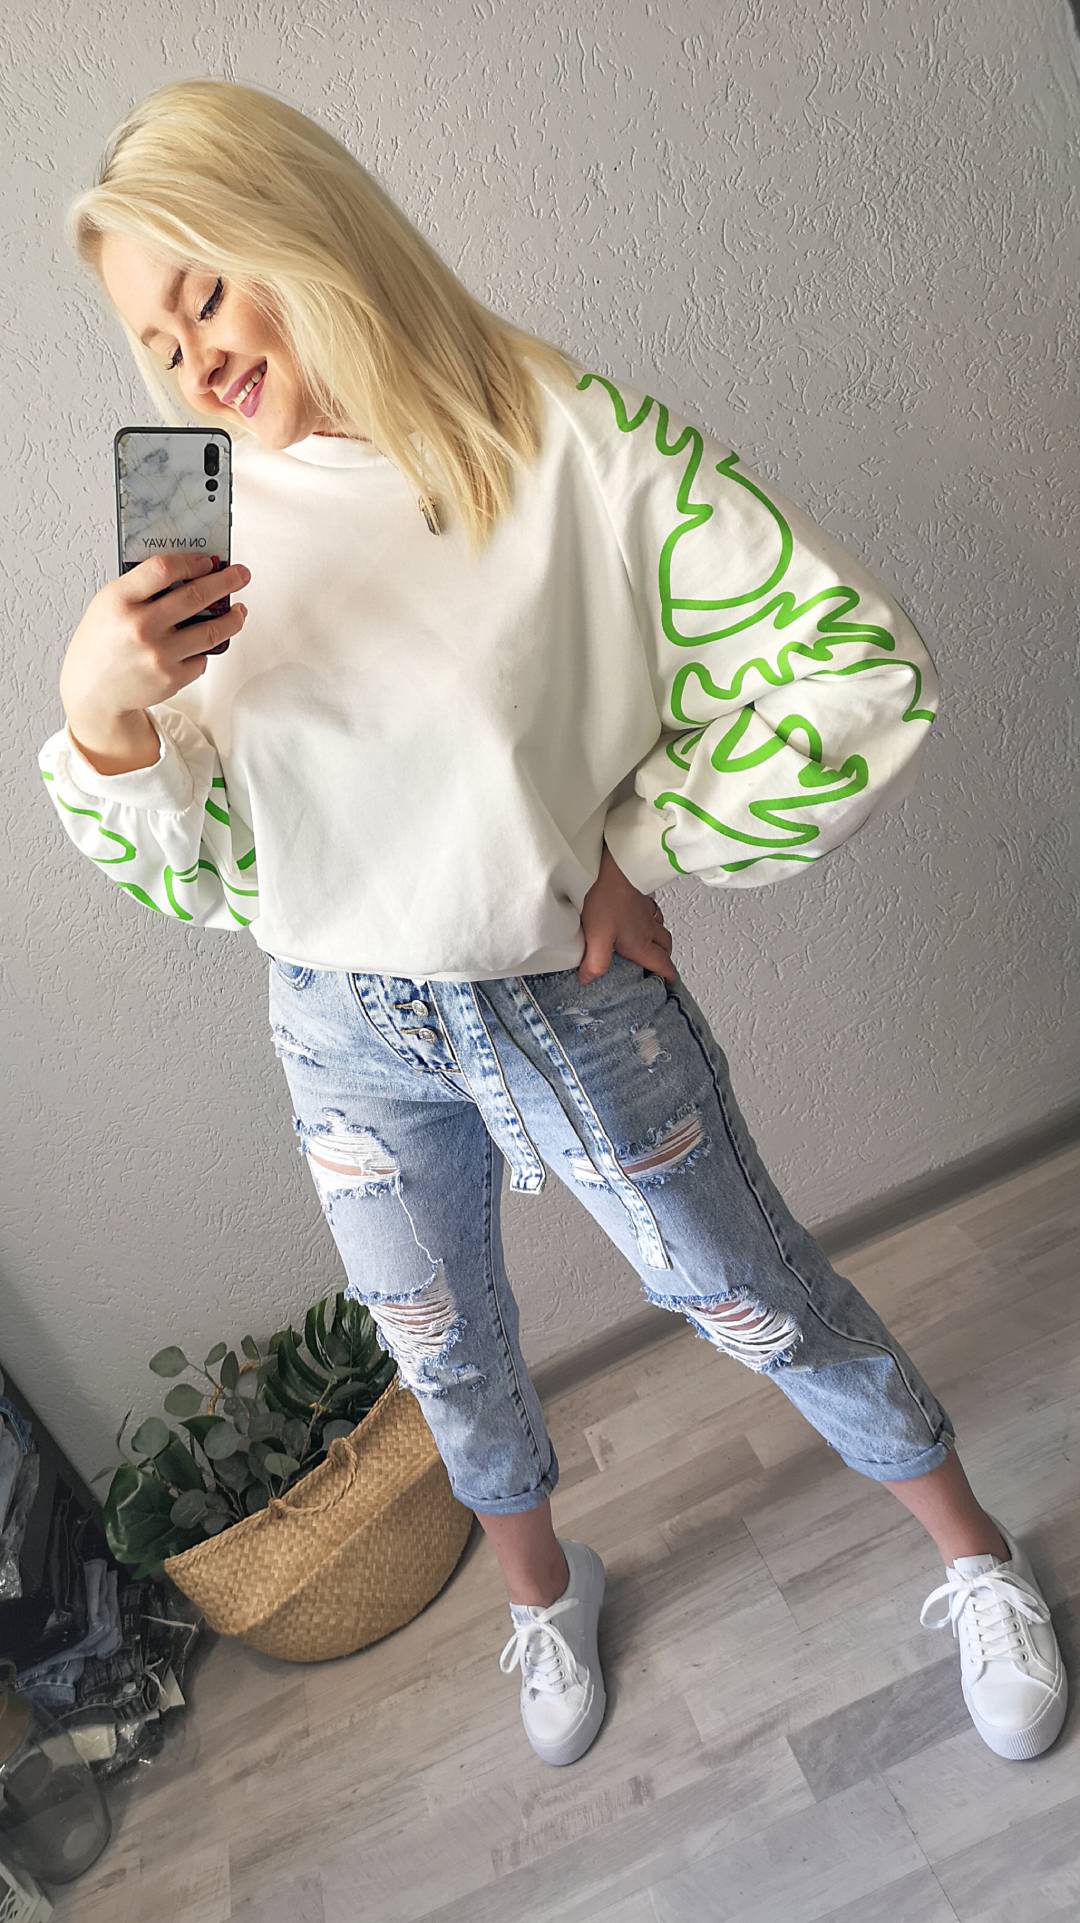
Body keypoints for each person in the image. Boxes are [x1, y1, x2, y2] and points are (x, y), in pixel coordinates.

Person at [37, 77, 1065, 1771]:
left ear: (304, 231)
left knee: (751, 1291)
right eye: (154, 339)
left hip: (562, 1002)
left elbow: (851, 663)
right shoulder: (198, 518)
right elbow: (194, 868)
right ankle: (543, 1593)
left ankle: (976, 1558)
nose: (191, 361)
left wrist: (641, 843)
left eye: (205, 293)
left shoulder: (557, 432)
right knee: (440, 1353)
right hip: (340, 1026)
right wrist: (102, 716)